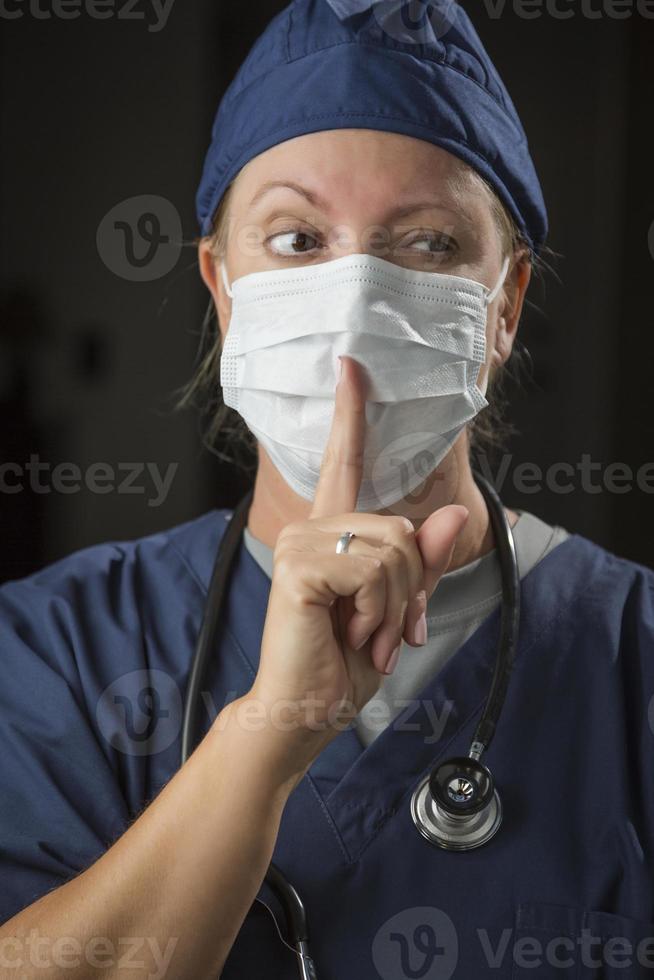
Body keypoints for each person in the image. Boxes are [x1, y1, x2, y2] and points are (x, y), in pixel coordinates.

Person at [1, 1, 653, 978]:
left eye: (427, 243)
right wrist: (266, 737)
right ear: (223, 291)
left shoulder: (631, 655)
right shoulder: (52, 647)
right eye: (298, 239)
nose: (355, 300)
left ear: (505, 304)